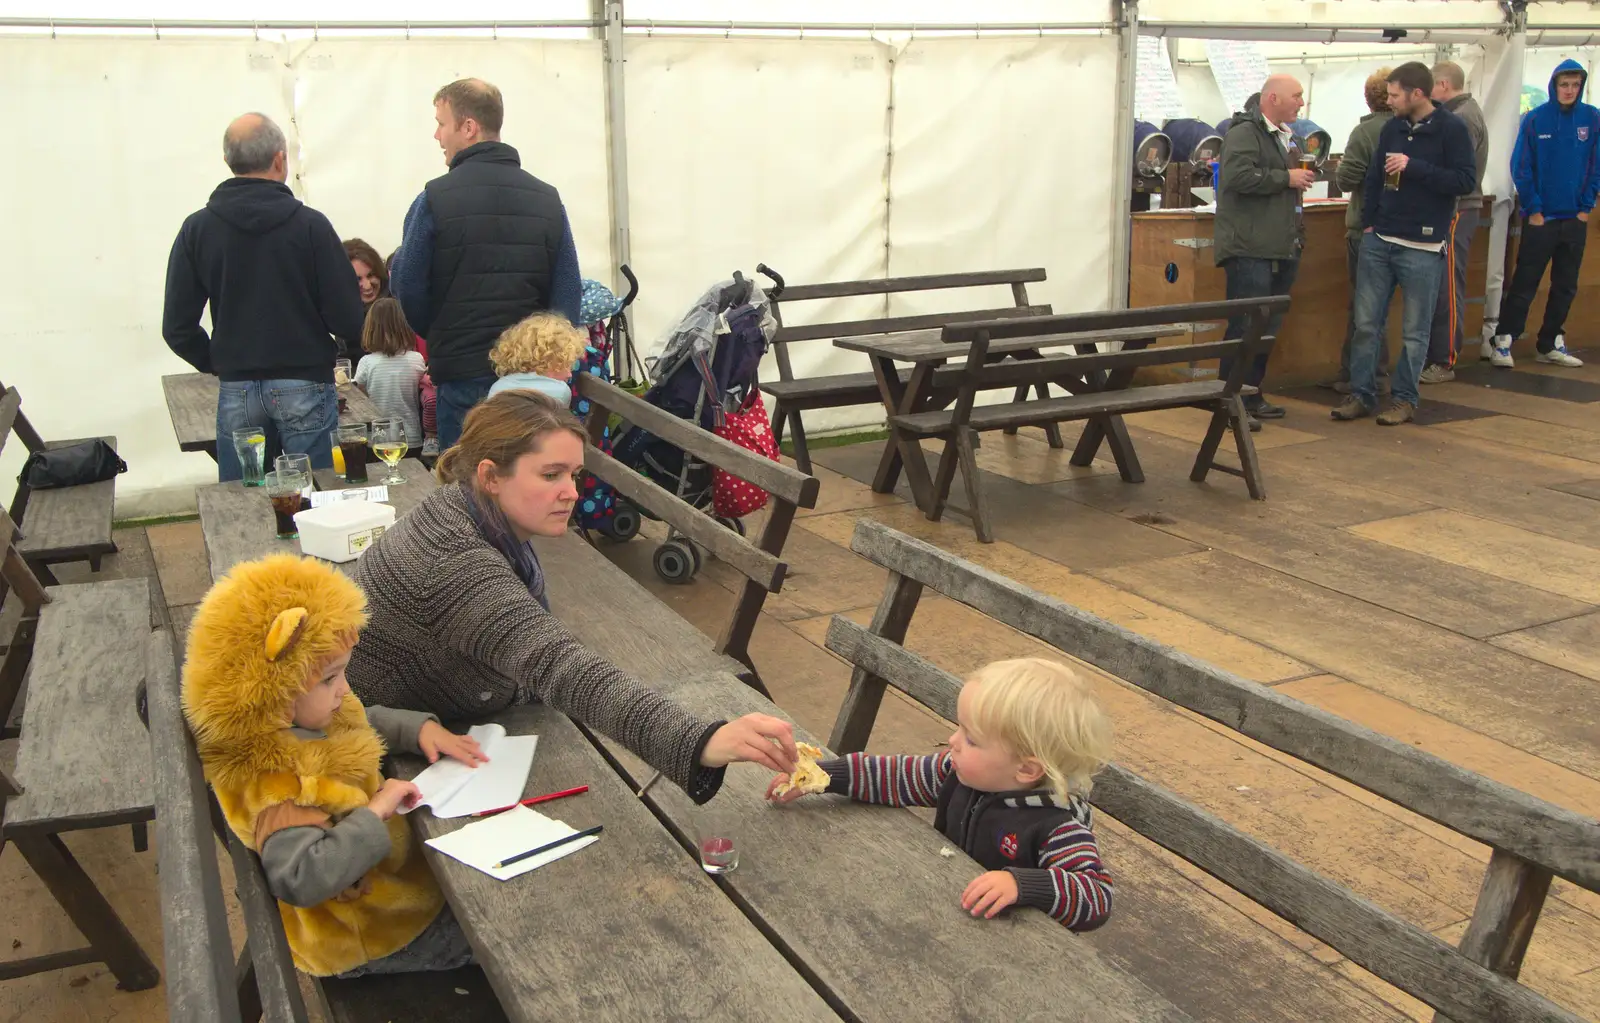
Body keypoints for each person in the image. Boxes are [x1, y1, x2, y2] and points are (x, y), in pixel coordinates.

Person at [343, 390, 799, 795]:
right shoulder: (455, 563)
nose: (571, 493)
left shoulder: (464, 511)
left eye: (575, 475)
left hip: (438, 720)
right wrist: (699, 741)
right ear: (491, 476)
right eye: (551, 475)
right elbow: (559, 667)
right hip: (373, 759)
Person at [183, 553, 490, 978]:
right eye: (330, 678)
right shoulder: (279, 786)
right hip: (367, 933)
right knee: (496, 932)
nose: (344, 690)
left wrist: (417, 729)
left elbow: (360, 719)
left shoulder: (304, 717)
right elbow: (302, 877)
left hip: (393, 893)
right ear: (273, 691)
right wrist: (377, 810)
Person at [765, 658, 1115, 931]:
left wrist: (1021, 884)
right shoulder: (959, 773)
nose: (953, 741)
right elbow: (895, 776)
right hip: (951, 912)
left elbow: (1096, 897)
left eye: (971, 738)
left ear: (1026, 770)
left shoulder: (1058, 825)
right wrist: (823, 776)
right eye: (959, 727)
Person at [163, 113, 365, 481]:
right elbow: (348, 318)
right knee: (316, 490)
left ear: (229, 162)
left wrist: (218, 360)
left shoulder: (198, 228)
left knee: (243, 499)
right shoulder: (311, 226)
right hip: (304, 378)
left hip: (238, 383)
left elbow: (177, 326)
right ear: (279, 159)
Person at [389, 79, 584, 450]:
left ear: (468, 127)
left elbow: (407, 285)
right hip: (531, 380)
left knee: (465, 488)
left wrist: (442, 335)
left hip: (462, 375)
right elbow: (567, 292)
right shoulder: (547, 199)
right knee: (524, 484)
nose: (436, 135)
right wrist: (546, 356)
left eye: (441, 123)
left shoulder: (433, 198)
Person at [1334, 63, 1477, 426]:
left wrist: (1415, 167)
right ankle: (1362, 394)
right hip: (1380, 239)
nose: (1390, 100)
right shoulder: (1392, 127)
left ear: (1418, 93)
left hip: (1423, 244)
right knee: (1366, 324)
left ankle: (1404, 400)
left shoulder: (1453, 129)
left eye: (1396, 94)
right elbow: (1374, 177)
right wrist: (1369, 224)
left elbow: (1464, 181)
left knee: (1415, 331)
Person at [1213, 76, 1314, 431]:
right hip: (1249, 248)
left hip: (1279, 246)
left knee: (1266, 327)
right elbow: (1237, 177)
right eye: (1297, 96)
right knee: (1244, 326)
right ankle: (1230, 401)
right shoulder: (1243, 133)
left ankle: (1251, 394)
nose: (1302, 102)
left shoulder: (1284, 135)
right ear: (1273, 98)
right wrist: (1285, 178)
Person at [1486, 60, 1599, 370]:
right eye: (1565, 85)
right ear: (1555, 85)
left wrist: (1585, 207)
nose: (1570, 90)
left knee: (1566, 284)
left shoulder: (1592, 118)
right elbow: (1520, 166)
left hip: (1574, 219)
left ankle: (1550, 342)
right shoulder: (1535, 120)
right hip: (1541, 220)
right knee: (1526, 281)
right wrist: (1533, 209)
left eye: (1575, 85)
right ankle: (1504, 341)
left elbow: (1596, 165)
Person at [1419, 61, 1490, 384]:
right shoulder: (1465, 114)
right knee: (1443, 284)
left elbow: (1450, 171)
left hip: (1457, 208)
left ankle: (1444, 359)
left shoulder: (1461, 120)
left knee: (1448, 285)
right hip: (1454, 207)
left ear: (1443, 86)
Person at [1328, 68, 1395, 396]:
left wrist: (1343, 169)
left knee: (1363, 307)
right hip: (1400, 229)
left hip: (1364, 230)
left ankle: (1358, 376)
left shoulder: (1365, 132)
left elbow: (1346, 181)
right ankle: (1377, 375)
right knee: (1381, 308)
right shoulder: (1409, 129)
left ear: (1369, 98)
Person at [355, 298, 427, 447]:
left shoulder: (366, 363)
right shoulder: (417, 360)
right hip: (411, 437)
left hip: (377, 439)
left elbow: (359, 398)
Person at [487, 312, 588, 405]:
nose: (569, 374)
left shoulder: (498, 387)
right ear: (548, 362)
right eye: (566, 365)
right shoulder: (560, 391)